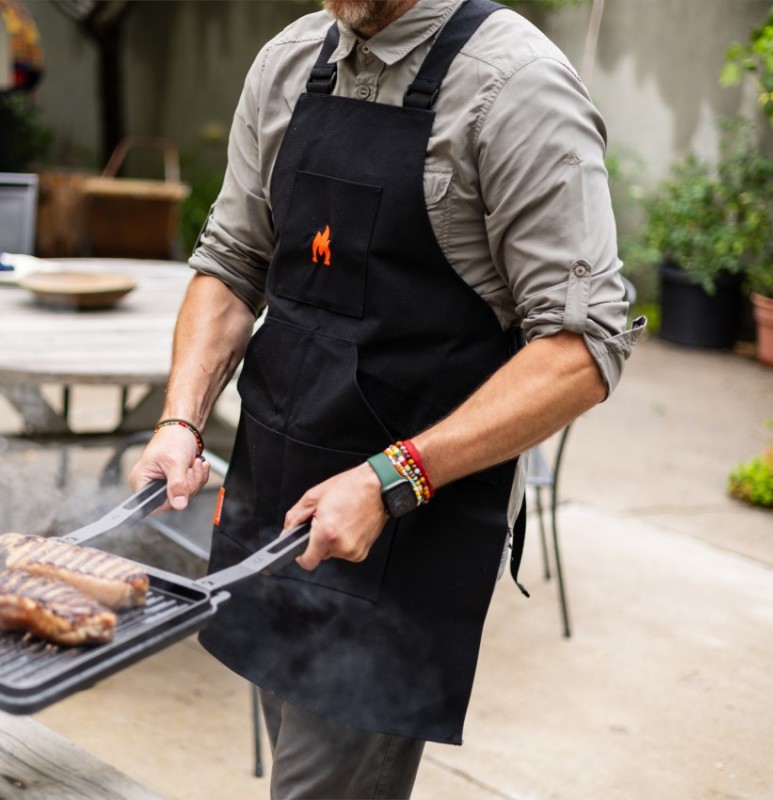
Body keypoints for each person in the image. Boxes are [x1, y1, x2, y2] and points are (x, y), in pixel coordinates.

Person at [130, 0, 645, 796]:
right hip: (278, 490)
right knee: (298, 745)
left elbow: (583, 349)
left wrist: (391, 479)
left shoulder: (516, 85)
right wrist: (180, 420)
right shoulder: (289, 61)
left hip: (408, 523)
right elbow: (231, 263)